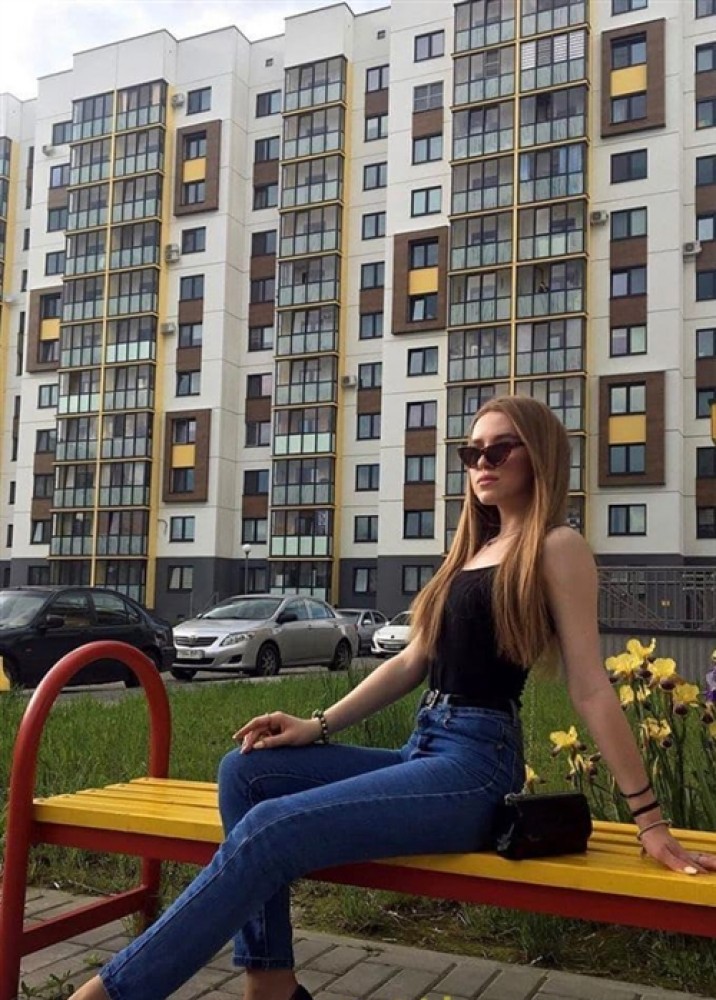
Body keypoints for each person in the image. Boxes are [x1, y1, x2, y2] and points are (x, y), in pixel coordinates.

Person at [74, 396, 716, 1000]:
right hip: (425, 749)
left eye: (499, 449)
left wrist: (649, 820)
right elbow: (412, 662)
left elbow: (590, 685)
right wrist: (316, 724)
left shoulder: (556, 546)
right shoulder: (471, 551)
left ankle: (112, 992)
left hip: (476, 766)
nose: (482, 463)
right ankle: (272, 983)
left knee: (272, 829)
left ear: (540, 455)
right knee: (246, 772)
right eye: (472, 453)